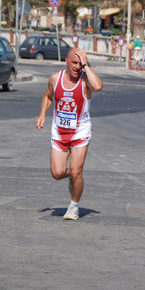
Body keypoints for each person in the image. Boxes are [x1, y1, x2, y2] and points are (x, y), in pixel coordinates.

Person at [36, 48, 103, 220]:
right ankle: (74, 176)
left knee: (75, 171)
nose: (77, 67)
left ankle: (74, 206)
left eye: (80, 64)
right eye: (74, 63)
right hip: (59, 132)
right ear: (66, 61)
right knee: (57, 173)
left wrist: (87, 63)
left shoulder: (85, 80)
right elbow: (48, 96)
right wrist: (42, 114)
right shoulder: (55, 79)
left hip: (80, 131)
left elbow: (98, 86)